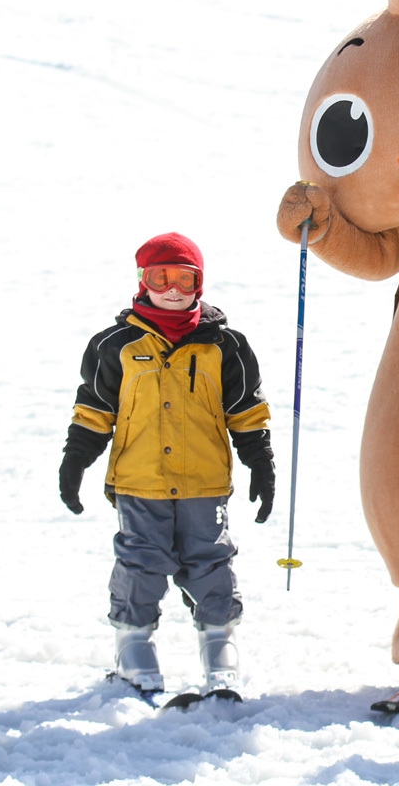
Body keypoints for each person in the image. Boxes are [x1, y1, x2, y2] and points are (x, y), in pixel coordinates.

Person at [57, 232, 276, 699]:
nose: (173, 288)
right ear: (143, 281)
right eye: (161, 277)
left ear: (199, 283)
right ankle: (134, 649)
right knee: (141, 564)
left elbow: (246, 411)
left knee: (212, 563)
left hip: (204, 482)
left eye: (184, 278)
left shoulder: (227, 346)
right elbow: (95, 408)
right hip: (141, 483)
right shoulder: (115, 344)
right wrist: (76, 459)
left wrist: (260, 461)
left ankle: (220, 649)